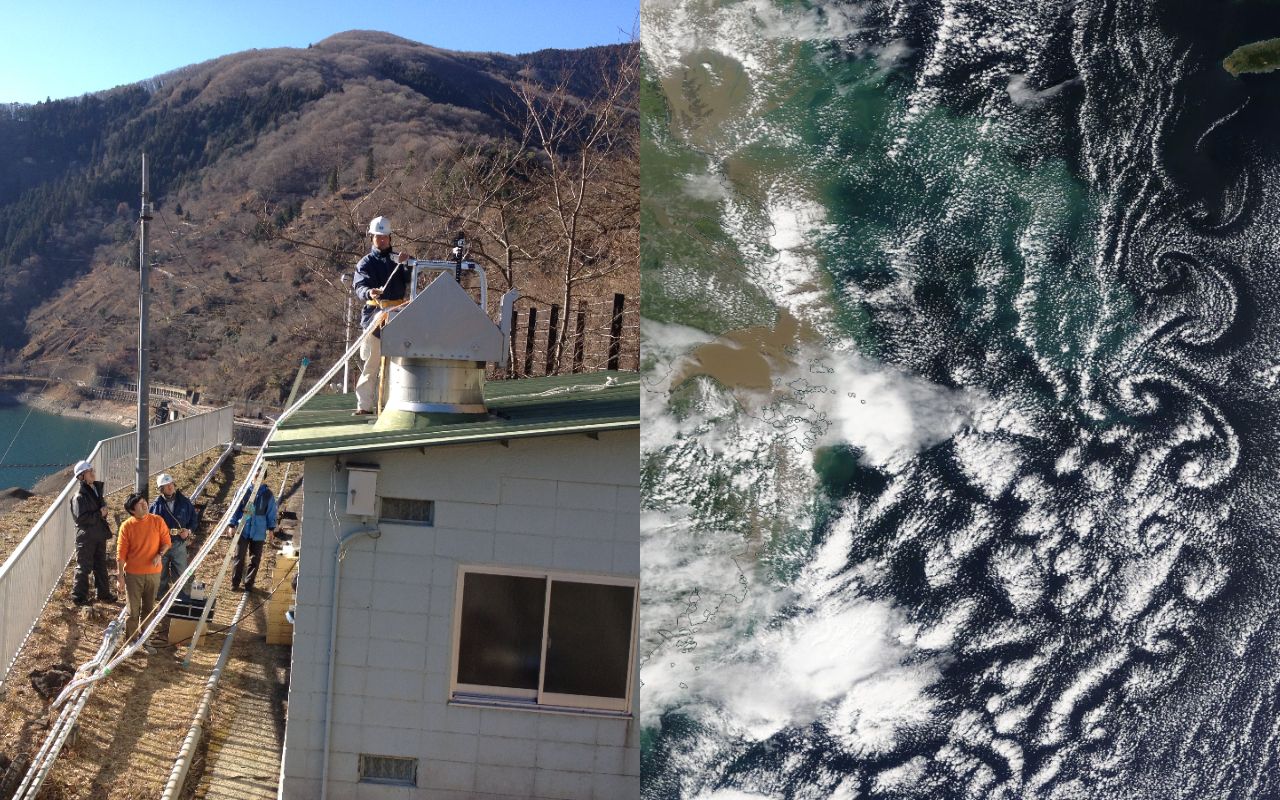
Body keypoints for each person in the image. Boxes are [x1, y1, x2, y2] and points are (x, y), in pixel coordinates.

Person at [351, 215, 413, 415]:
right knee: (372, 363)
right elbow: (360, 286)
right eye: (378, 237)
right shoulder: (365, 263)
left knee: (396, 365)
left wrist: (407, 264)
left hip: (397, 315)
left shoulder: (398, 259)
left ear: (390, 237)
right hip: (374, 317)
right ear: (372, 238)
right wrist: (370, 292)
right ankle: (365, 405)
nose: (382, 240)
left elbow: (411, 276)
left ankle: (390, 404)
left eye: (385, 236)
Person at [116, 493, 170, 653]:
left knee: (149, 608)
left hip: (154, 573)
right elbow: (120, 554)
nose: (145, 505)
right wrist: (120, 577)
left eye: (144, 502)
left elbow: (167, 542)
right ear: (132, 510)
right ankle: (131, 642)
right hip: (133, 575)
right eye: (140, 504)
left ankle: (145, 640)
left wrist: (159, 555)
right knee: (132, 611)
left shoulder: (157, 520)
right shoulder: (127, 526)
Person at [69, 459, 117, 606]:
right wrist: (100, 513)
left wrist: (102, 512)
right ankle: (78, 597)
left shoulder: (95, 490)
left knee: (100, 564)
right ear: (82, 476)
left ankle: (103, 594)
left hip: (98, 534)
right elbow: (81, 519)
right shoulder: (79, 497)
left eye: (92, 470)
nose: (93, 473)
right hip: (86, 536)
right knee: (84, 567)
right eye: (90, 471)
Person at [150, 473, 197, 601]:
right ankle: (161, 597)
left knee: (182, 570)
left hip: (178, 543)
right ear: (161, 489)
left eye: (171, 484)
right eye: (166, 486)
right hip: (161, 545)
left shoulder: (185, 502)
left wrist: (189, 530)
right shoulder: (155, 506)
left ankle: (184, 596)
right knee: (160, 572)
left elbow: (194, 519)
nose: (170, 487)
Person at [227, 483, 277, 592]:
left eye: (259, 475)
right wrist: (231, 524)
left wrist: (271, 529)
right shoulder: (243, 491)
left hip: (259, 531)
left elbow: (271, 512)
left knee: (255, 558)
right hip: (243, 529)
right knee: (239, 556)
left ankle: (249, 583)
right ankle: (235, 583)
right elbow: (234, 508)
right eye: (255, 475)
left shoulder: (268, 495)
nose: (256, 478)